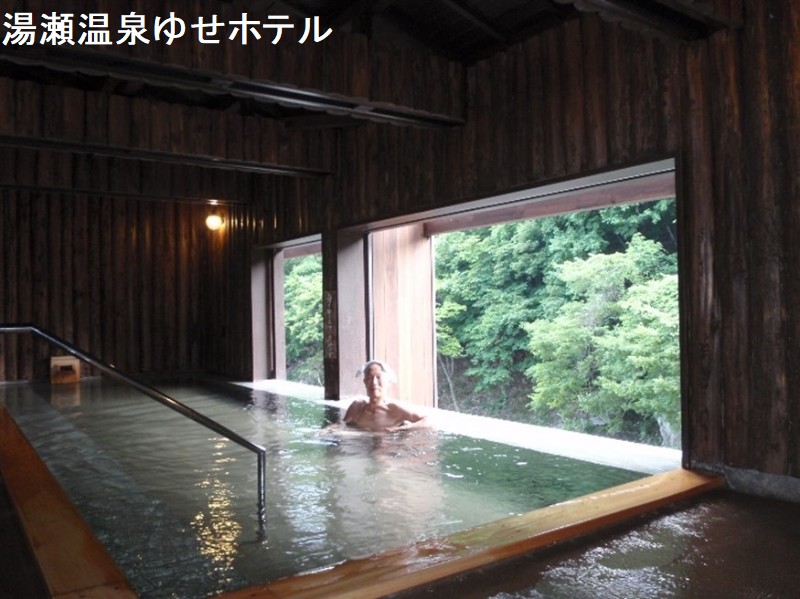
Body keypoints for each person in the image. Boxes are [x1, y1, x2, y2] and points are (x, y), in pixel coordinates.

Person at [342, 360, 428, 432]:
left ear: (387, 382)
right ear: (365, 382)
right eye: (369, 378)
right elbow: (342, 426)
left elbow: (427, 420)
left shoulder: (393, 409)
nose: (374, 383)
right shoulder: (357, 407)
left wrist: (400, 429)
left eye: (378, 377)